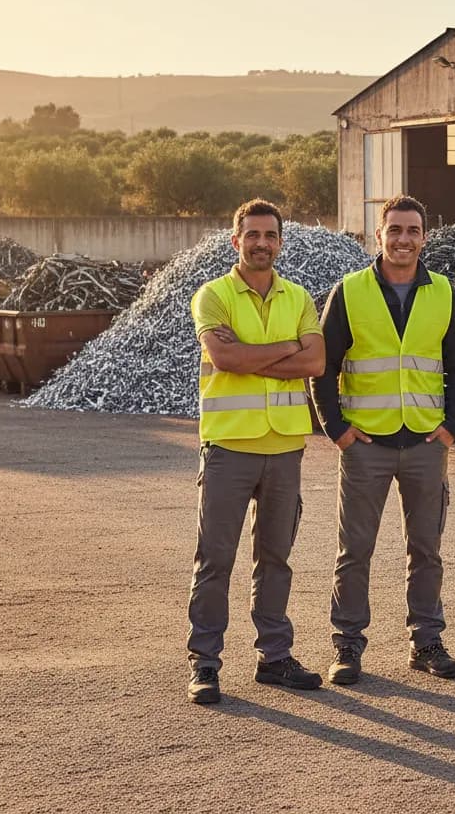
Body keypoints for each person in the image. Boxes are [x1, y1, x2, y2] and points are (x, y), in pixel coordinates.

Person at [310, 195, 455, 685]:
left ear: (425, 237)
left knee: (426, 548)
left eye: (413, 231)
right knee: (354, 549)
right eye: (395, 230)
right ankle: (347, 647)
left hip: (426, 442)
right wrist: (336, 430)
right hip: (367, 445)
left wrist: (452, 427)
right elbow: (324, 366)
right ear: (377, 236)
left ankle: (426, 642)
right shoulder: (350, 291)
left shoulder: (442, 291)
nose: (404, 239)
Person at [186, 198, 325, 704]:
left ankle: (274, 657)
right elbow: (223, 356)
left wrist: (255, 357)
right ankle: (205, 663)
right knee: (215, 559)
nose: (261, 243)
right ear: (235, 240)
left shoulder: (300, 297)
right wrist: (288, 348)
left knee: (276, 557)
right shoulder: (213, 295)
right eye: (252, 235)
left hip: (285, 448)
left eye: (270, 236)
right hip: (228, 447)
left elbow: (317, 362)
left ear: (280, 242)